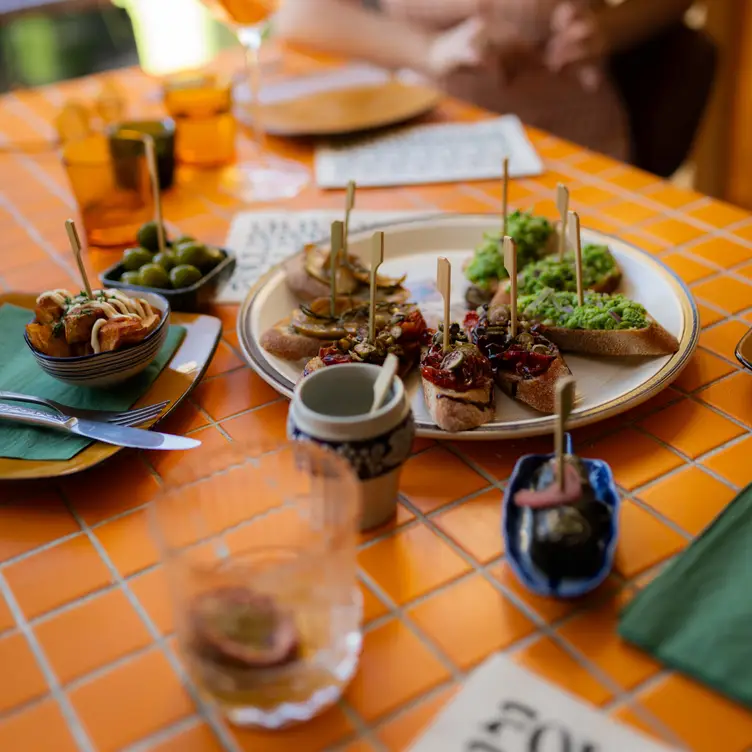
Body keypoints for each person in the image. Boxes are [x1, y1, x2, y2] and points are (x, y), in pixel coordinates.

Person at [275, 0, 716, 177]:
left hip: (568, 144)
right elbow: (298, 15)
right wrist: (429, 49)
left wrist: (605, 29)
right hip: (430, 132)